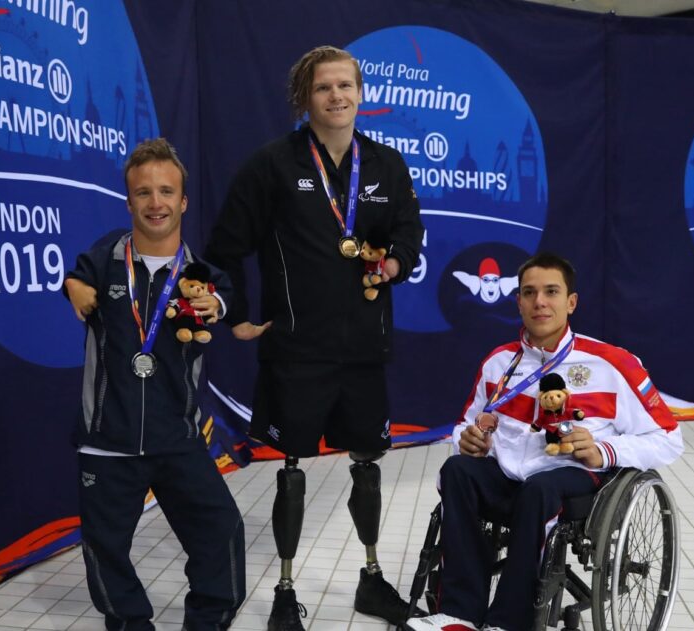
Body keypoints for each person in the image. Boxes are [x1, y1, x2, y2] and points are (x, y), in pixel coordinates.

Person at [203, 45, 424, 630]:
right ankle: (284, 590)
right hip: (296, 350)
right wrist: (238, 316)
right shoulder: (272, 165)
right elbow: (226, 244)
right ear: (305, 98)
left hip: (363, 350)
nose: (337, 97)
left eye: (346, 86)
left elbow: (409, 230)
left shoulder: (386, 166)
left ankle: (372, 581)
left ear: (360, 93)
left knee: (367, 463)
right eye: (324, 88)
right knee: (292, 468)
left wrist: (395, 262)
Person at [406, 252, 684, 631]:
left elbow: (669, 438)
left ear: (571, 302)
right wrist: (468, 441)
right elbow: (465, 426)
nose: (540, 301)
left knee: (539, 490)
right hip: (508, 474)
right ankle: (460, 613)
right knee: (457, 470)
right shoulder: (498, 363)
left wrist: (607, 451)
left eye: (551, 291)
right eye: (529, 292)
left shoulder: (613, 363)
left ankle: (508, 622)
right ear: (517, 301)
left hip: (570, 475)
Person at [63, 138, 246, 631]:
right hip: (108, 441)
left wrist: (217, 307)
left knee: (222, 534)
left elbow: (225, 301)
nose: (156, 203)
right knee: (105, 550)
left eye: (166, 191)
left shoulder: (202, 277)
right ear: (129, 202)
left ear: (183, 201)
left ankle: (206, 623)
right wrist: (73, 288)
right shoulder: (103, 260)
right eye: (143, 193)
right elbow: (73, 278)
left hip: (177, 439)